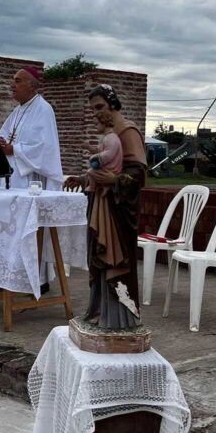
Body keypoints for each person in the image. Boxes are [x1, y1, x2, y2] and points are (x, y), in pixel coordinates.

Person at [64, 84, 148, 330]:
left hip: (118, 210)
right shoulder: (108, 134)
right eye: (93, 109)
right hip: (102, 203)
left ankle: (121, 317)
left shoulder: (127, 131)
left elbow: (139, 175)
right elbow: (102, 166)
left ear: (113, 104)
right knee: (100, 258)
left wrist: (113, 181)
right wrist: (82, 179)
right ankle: (101, 311)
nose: (96, 114)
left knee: (114, 259)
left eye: (100, 107)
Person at [0, 66, 64, 191]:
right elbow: (4, 135)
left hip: (29, 179)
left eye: (18, 81)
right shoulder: (17, 110)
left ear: (31, 86)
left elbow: (45, 148)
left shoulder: (44, 109)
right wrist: (2, 143)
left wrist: (14, 150)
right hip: (9, 172)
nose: (12, 85)